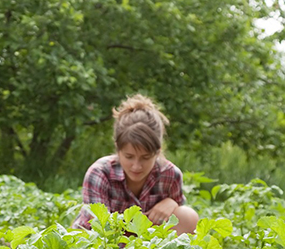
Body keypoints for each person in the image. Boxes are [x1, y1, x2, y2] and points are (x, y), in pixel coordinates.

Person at [72, 94, 198, 235]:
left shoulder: (170, 175)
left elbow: (179, 225)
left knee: (187, 216)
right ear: (118, 149)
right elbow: (98, 228)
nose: (136, 166)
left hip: (145, 248)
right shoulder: (100, 173)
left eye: (145, 157)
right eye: (129, 157)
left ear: (158, 152)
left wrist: (172, 202)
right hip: (100, 246)